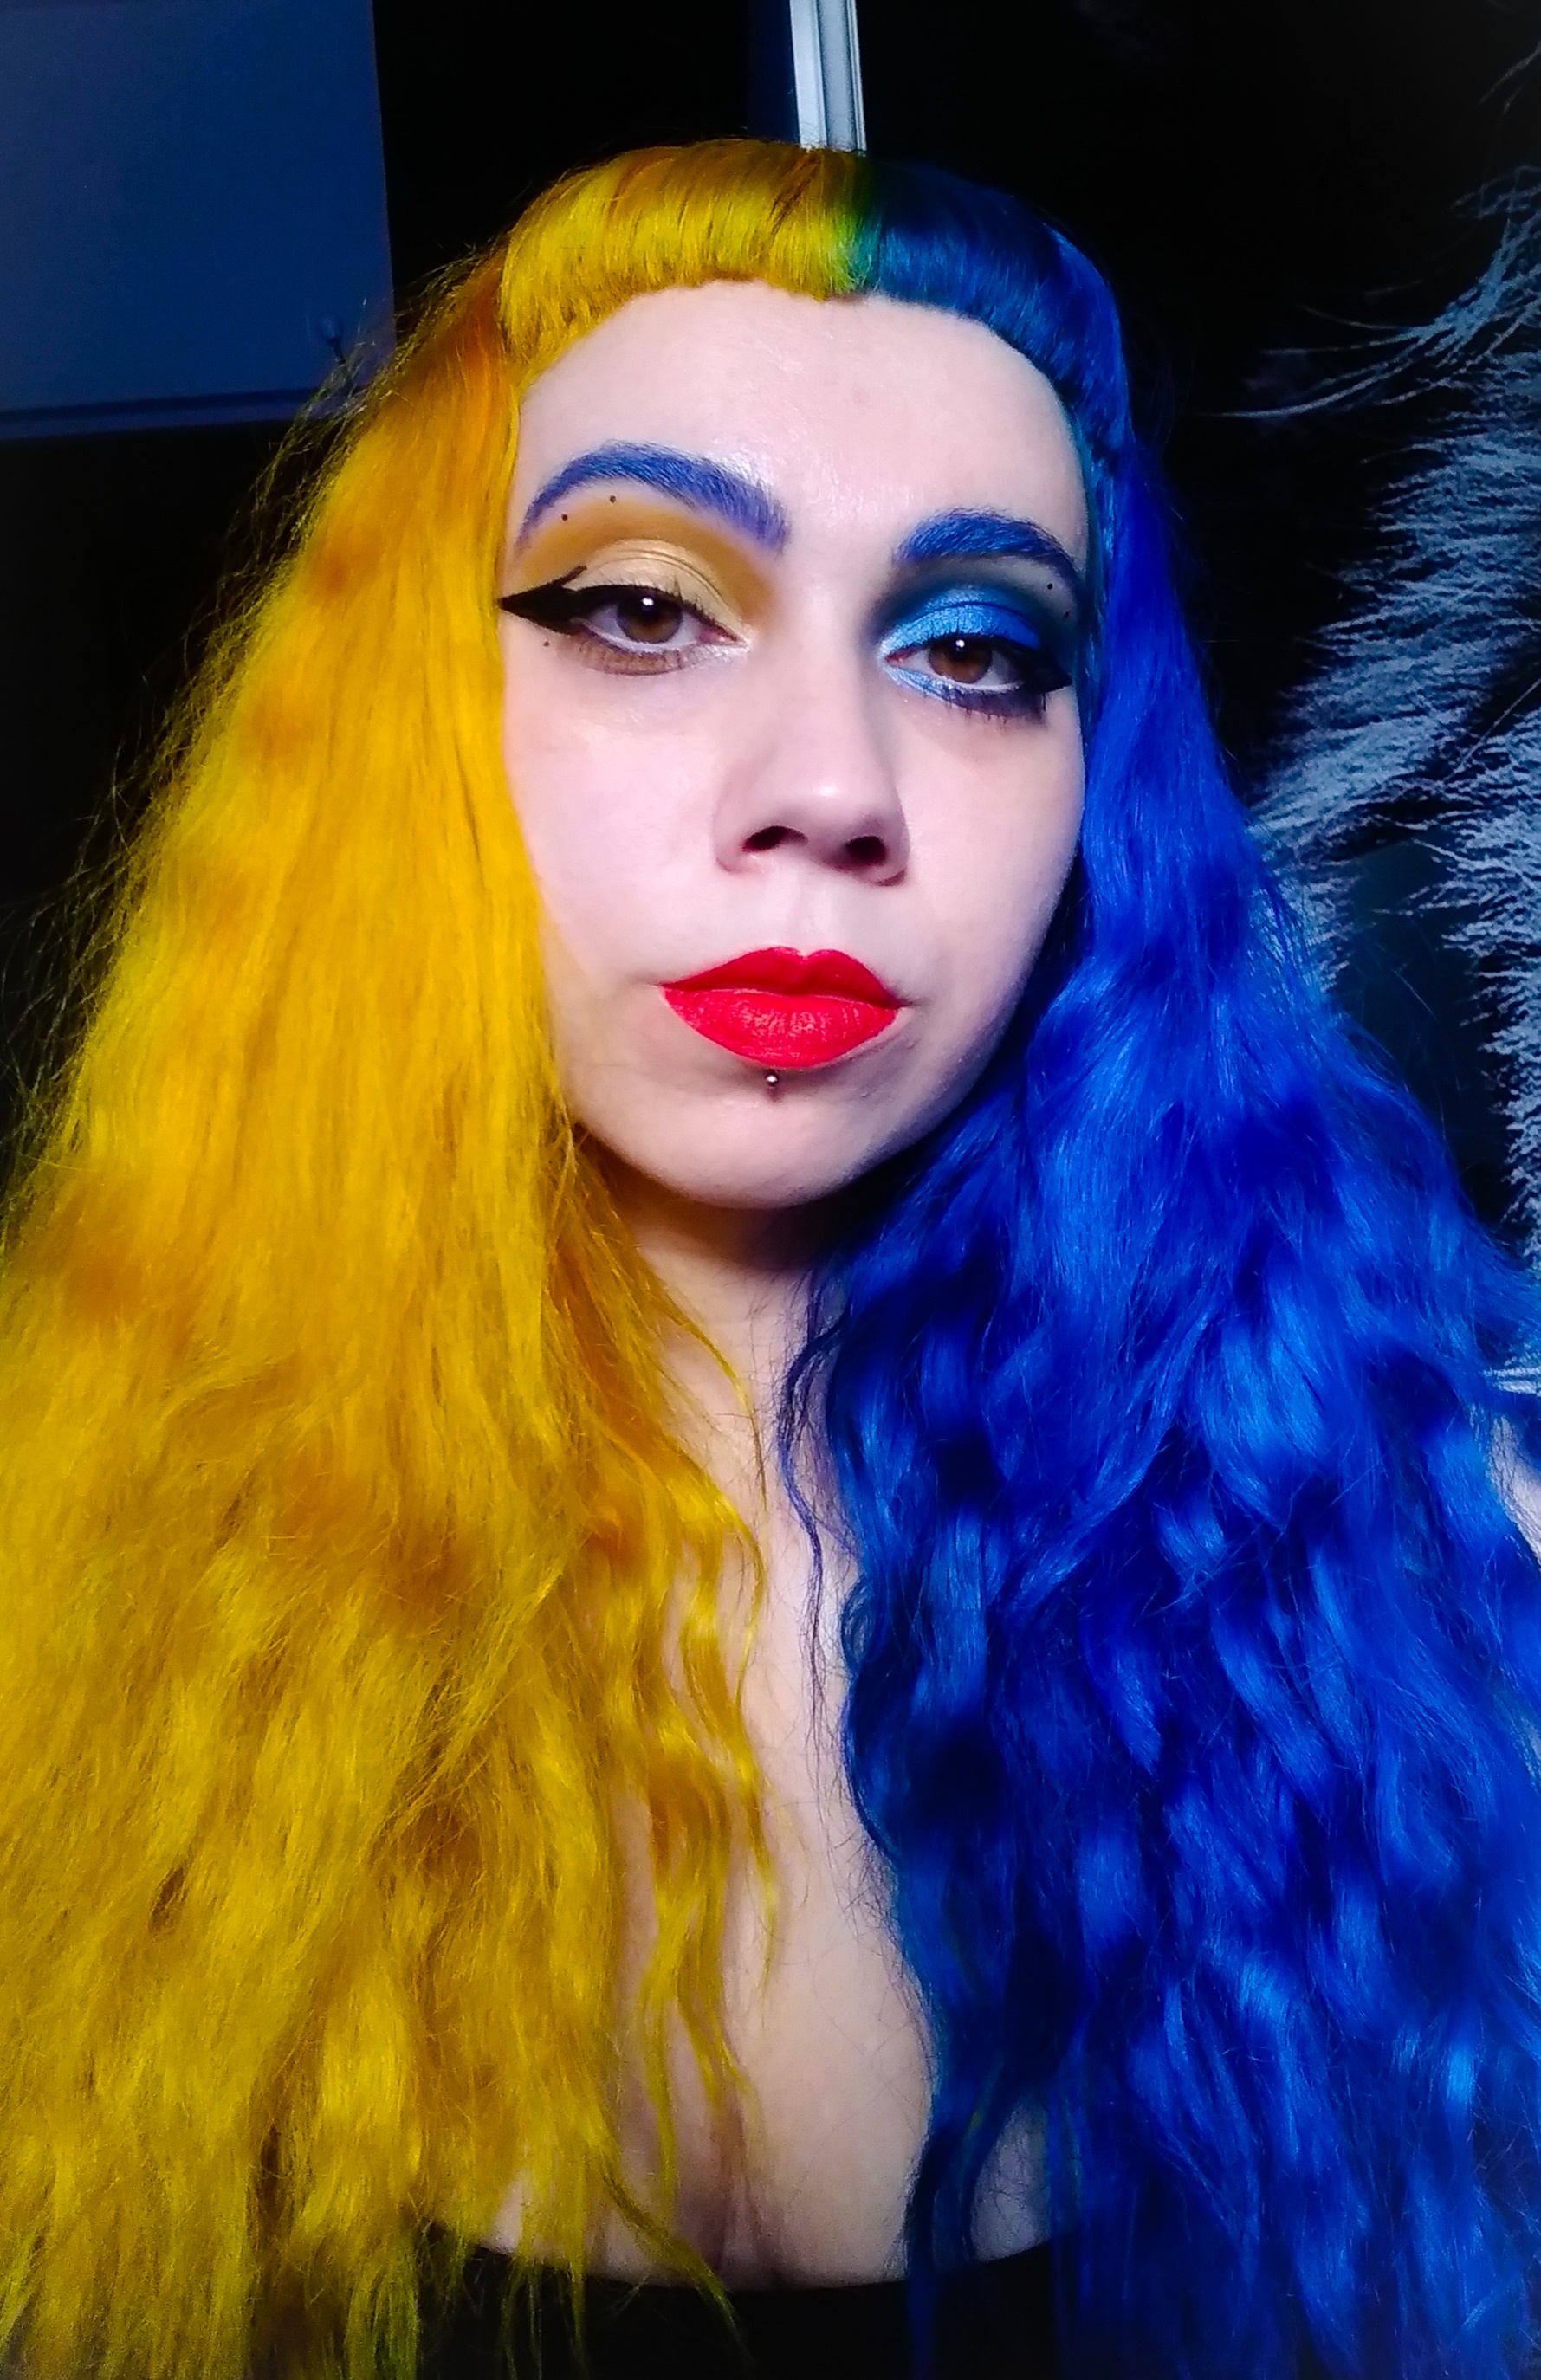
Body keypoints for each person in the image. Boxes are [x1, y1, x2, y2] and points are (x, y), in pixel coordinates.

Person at [3, 138, 1540, 2380]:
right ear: (406, 718)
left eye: (974, 646)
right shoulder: (56, 1613)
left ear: (1102, 798)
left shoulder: (1453, 1597)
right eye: (644, 607)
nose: (829, 781)